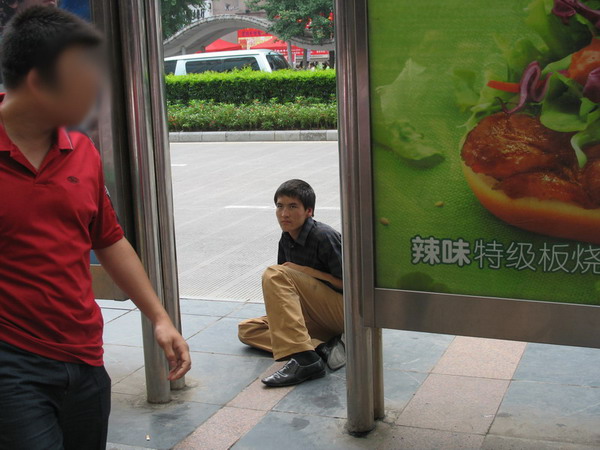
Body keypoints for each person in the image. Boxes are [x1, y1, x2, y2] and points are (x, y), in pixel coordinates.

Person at [0, 7, 190, 450]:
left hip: (85, 357)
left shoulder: (82, 151)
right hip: (13, 364)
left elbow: (109, 240)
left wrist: (160, 318)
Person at [238, 179, 345, 387]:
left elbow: (352, 286)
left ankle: (305, 359)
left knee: (274, 273)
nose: (284, 214)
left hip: (342, 314)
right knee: (248, 330)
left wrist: (306, 271)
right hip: (313, 316)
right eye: (280, 206)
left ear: (309, 211)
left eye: (293, 206)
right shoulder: (286, 237)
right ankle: (320, 348)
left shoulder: (324, 236)